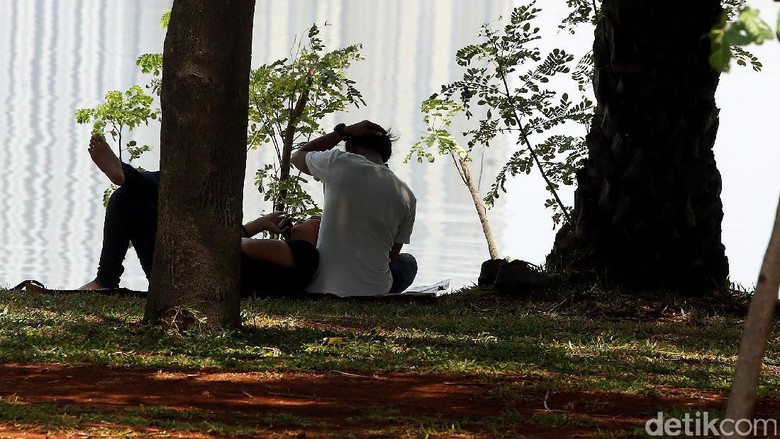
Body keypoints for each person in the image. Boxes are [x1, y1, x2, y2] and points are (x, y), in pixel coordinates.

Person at [79, 134, 319, 296]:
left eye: (313, 220)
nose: (305, 220)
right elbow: (232, 248)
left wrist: (254, 226)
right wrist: (260, 224)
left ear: (319, 235)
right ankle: (105, 280)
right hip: (185, 273)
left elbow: (232, 246)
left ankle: (105, 278)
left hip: (190, 272)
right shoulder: (291, 267)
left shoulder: (307, 255)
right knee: (130, 196)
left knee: (161, 189)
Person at [291, 120, 417, 297]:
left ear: (351, 146)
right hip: (375, 292)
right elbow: (390, 257)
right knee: (408, 262)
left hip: (323, 288)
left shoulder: (338, 162)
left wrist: (342, 132)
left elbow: (297, 156)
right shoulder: (407, 196)